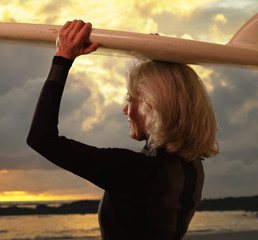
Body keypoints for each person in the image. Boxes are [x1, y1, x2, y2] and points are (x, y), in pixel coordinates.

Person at [27, 20, 219, 240]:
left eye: (131, 99)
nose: (125, 109)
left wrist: (62, 59)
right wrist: (154, 58)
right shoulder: (191, 167)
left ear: (153, 106)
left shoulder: (134, 171)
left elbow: (41, 138)